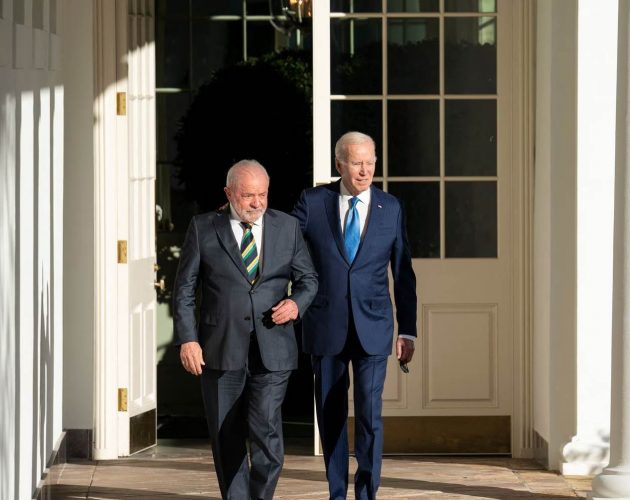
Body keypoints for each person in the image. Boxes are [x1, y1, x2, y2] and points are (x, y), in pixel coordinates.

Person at [173, 160, 318, 500]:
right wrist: (188, 339)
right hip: (219, 347)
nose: (257, 203)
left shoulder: (288, 227)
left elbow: (309, 279)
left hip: (273, 348)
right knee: (227, 435)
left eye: (262, 194)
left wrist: (296, 304)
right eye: (248, 195)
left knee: (266, 432)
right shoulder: (203, 227)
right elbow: (184, 290)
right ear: (228, 193)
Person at [292, 131, 417, 500]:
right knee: (330, 417)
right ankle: (336, 493)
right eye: (357, 163)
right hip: (326, 326)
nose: (365, 171)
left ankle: (366, 493)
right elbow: (286, 246)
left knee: (369, 416)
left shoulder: (390, 207)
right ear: (339, 164)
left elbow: (404, 272)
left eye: (370, 162)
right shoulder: (313, 202)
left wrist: (407, 330)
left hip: (374, 328)